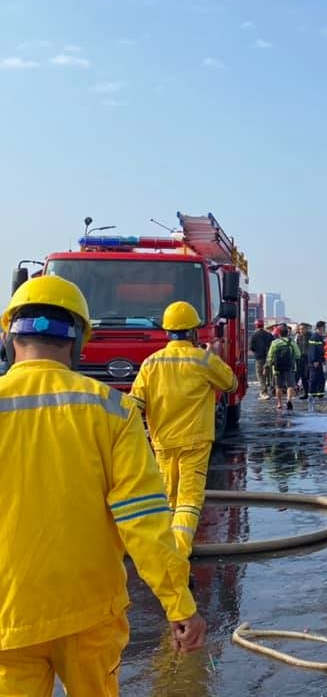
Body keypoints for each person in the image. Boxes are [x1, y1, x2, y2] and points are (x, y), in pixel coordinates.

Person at [0, 276, 206, 695]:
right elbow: (143, 520)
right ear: (77, 343)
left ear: (9, 338)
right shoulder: (112, 411)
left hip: (8, 614)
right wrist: (179, 604)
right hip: (89, 612)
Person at [131, 300, 238, 557]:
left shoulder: (150, 363)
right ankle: (178, 554)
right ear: (192, 332)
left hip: (163, 443)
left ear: (167, 331)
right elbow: (231, 385)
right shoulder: (202, 360)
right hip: (195, 441)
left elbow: (134, 404)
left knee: (168, 499)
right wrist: (213, 355)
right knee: (189, 501)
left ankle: (165, 549)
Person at [267, 324, 301, 410]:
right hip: (290, 367)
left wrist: (268, 365)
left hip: (277, 368)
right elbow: (298, 355)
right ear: (287, 333)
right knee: (290, 385)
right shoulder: (292, 342)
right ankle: (289, 400)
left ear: (279, 334)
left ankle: (279, 404)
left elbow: (270, 356)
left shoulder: (275, 343)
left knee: (278, 386)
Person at [249, 318, 274, 400]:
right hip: (269, 358)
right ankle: (272, 391)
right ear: (263, 325)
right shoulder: (269, 335)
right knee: (269, 375)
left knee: (261, 376)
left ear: (255, 326)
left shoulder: (254, 335)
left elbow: (251, 347)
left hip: (259, 358)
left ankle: (264, 392)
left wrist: (257, 352)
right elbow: (273, 346)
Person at [306, 320, 326, 410]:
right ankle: (311, 396)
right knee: (313, 379)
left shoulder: (319, 337)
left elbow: (321, 350)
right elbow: (313, 350)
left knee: (321, 378)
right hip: (315, 362)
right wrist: (315, 360)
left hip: (319, 361)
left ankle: (319, 395)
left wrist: (323, 359)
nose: (324, 329)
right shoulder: (315, 337)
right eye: (324, 327)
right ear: (320, 328)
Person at [295, 322, 310, 400]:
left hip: (308, 358)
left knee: (307, 376)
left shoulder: (310, 336)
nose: (302, 330)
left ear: (306, 329)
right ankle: (306, 393)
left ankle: (310, 393)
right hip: (300, 358)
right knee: (302, 376)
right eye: (300, 329)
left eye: (303, 329)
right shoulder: (298, 337)